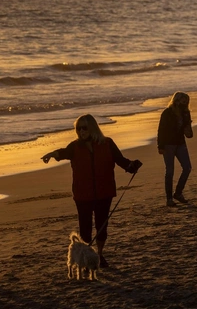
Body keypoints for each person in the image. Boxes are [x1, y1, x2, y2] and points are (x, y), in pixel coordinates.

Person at [42, 114, 142, 267]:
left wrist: (132, 166)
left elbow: (121, 160)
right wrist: (51, 154)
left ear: (93, 128)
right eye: (78, 128)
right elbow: (63, 153)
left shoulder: (107, 143)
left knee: (102, 226)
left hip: (104, 192)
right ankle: (88, 256)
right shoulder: (75, 147)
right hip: (83, 195)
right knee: (85, 229)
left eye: (84, 128)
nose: (81, 131)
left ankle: (100, 255)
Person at [157, 92, 194, 207]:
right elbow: (161, 130)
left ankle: (178, 193)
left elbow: (189, 134)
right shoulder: (167, 113)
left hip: (180, 143)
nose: (184, 104)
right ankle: (169, 199)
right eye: (183, 101)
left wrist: (188, 128)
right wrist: (160, 146)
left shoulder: (186, 113)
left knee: (187, 167)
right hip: (168, 144)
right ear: (176, 100)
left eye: (186, 101)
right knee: (169, 171)